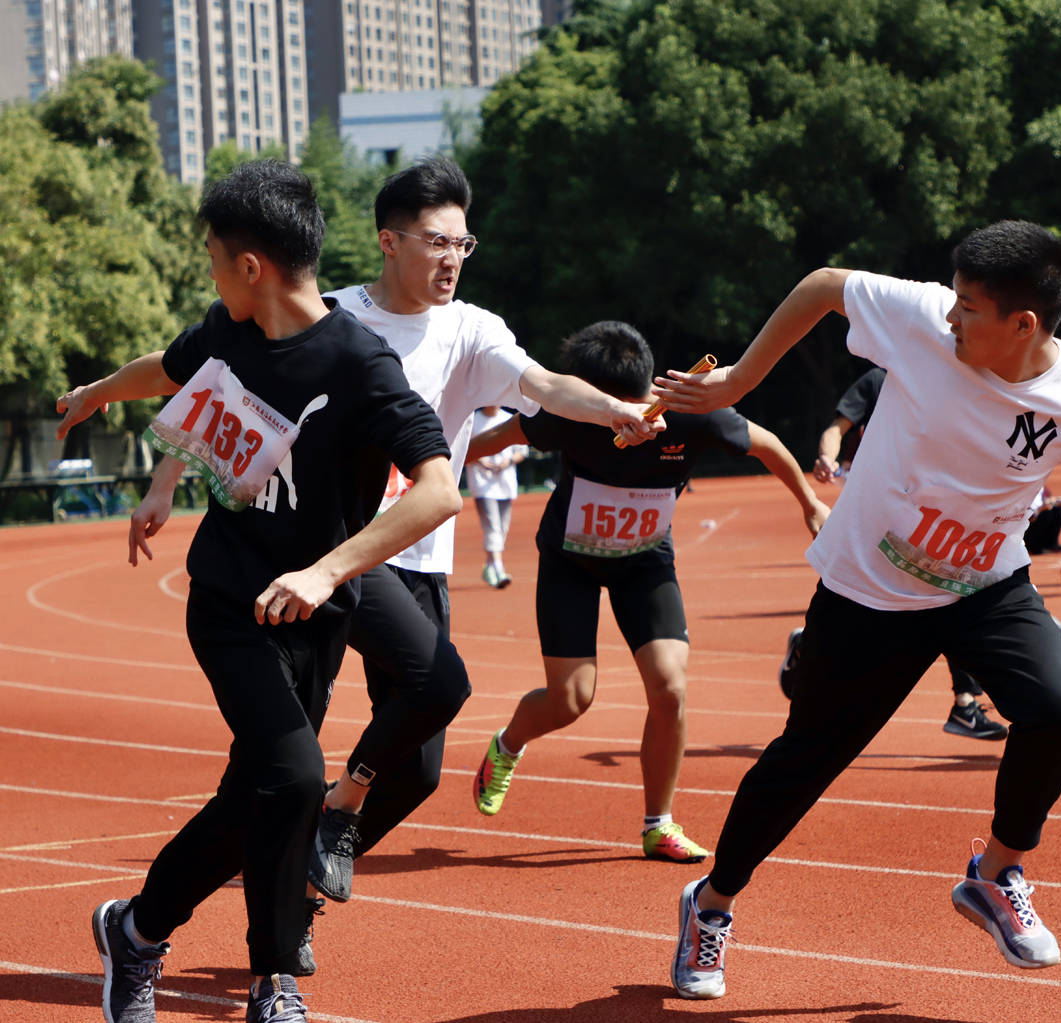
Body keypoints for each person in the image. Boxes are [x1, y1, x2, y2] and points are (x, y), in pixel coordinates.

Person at [648, 220, 1061, 999]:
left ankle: (995, 874)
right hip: (869, 592)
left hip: (985, 587)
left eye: (969, 306)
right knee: (807, 760)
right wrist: (737, 382)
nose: (951, 316)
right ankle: (711, 902)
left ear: (1023, 324)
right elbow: (826, 285)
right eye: (953, 299)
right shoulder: (922, 320)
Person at [55, 160, 460, 1023]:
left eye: (211, 257)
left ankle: (137, 927)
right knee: (294, 773)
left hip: (313, 608)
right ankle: (270, 975)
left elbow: (438, 488)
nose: (208, 273)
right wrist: (94, 393)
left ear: (252, 266)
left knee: (263, 790)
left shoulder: (359, 361)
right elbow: (166, 370)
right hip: (229, 597)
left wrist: (327, 570)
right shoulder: (226, 330)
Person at [302, 155, 659, 961]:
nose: (453, 258)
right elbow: (234, 375)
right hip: (347, 548)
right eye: (437, 242)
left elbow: (544, 384)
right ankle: (335, 809)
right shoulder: (330, 318)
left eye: (465, 243)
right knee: (439, 683)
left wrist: (616, 411)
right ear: (389, 241)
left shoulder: (473, 328)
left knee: (422, 769)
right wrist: (169, 478)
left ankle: (316, 852)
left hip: (422, 555)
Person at [468, 321, 829, 864]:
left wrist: (809, 504)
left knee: (670, 689)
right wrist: (422, 467)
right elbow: (494, 440)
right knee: (571, 700)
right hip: (571, 562)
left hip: (645, 563)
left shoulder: (690, 413)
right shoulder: (567, 416)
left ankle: (658, 824)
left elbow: (768, 444)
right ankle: (509, 743)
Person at [800, 365, 1011, 741]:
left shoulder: (960, 380)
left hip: (931, 513)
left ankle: (965, 703)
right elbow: (838, 427)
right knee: (872, 613)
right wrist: (827, 458)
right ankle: (807, 646)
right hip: (880, 507)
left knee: (952, 595)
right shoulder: (880, 379)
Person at [466, 404, 527, 588]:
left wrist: (507, 461)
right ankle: (499, 570)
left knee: (502, 528)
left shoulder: (509, 418)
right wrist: (481, 461)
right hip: (482, 483)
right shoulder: (473, 420)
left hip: (505, 482)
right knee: (492, 526)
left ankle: (490, 566)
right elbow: (462, 449)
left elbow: (521, 451)